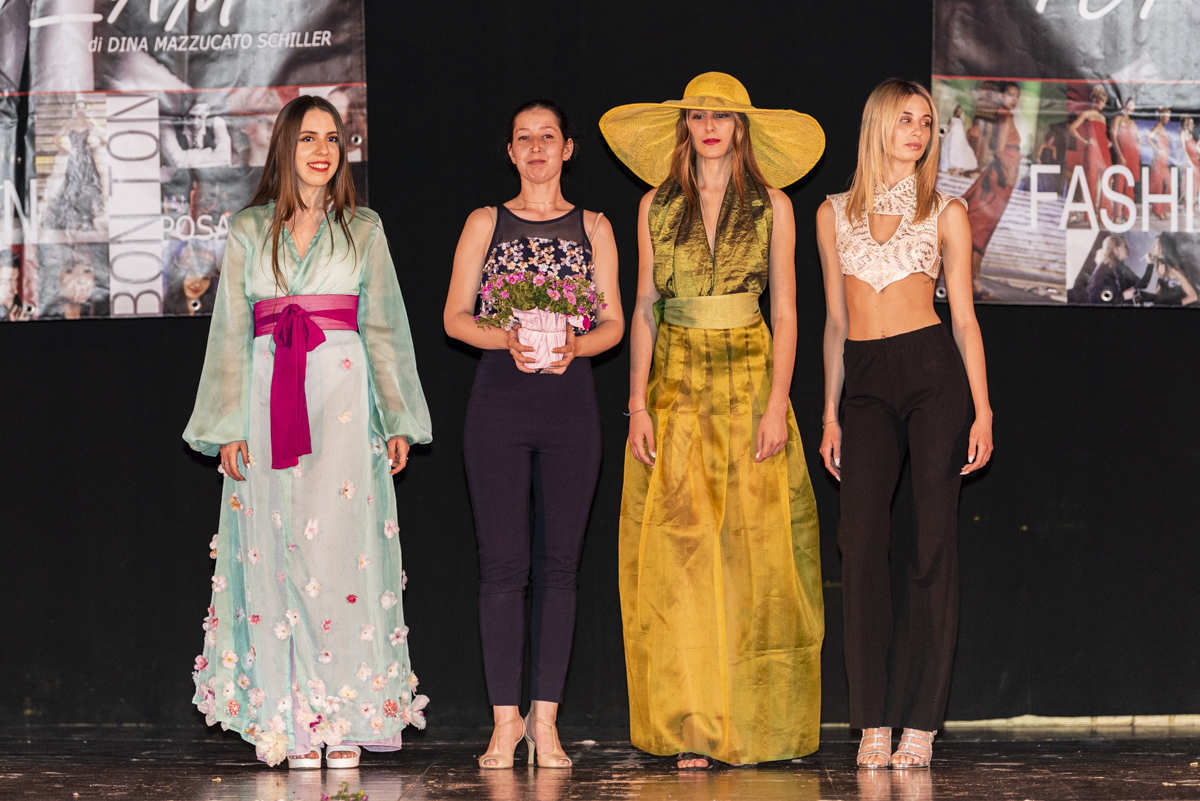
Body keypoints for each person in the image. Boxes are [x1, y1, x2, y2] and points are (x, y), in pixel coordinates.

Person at [182, 95, 433, 769]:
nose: (323, 150)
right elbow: (230, 331)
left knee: (342, 554)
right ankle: (289, 717)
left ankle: (345, 713)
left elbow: (385, 326)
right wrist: (226, 426)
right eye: (308, 138)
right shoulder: (249, 228)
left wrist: (397, 417)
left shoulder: (364, 228)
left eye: (333, 138)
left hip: (343, 400)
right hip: (268, 399)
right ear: (285, 148)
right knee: (276, 547)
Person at [600, 72, 826, 769]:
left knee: (755, 553)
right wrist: (637, 403)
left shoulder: (774, 205)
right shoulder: (654, 205)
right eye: (698, 115)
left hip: (750, 378)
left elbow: (786, 309)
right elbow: (644, 305)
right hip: (676, 382)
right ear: (684, 126)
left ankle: (757, 722)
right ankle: (692, 726)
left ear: (740, 127)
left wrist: (777, 403)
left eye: (721, 116)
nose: (709, 127)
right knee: (681, 558)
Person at [815, 78, 994, 769]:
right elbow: (835, 322)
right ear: (877, 126)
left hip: (932, 376)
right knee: (859, 543)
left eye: (926, 122)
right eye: (905, 120)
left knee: (931, 544)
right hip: (864, 382)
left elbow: (965, 320)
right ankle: (872, 721)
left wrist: (983, 408)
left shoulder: (946, 211)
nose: (917, 132)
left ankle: (921, 722)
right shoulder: (833, 212)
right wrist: (828, 411)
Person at [444, 99, 623, 769]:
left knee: (560, 567)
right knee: (502, 565)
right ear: (511, 151)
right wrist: (505, 337)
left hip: (571, 404)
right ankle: (505, 721)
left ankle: (546, 721)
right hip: (499, 401)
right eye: (525, 137)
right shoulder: (484, 222)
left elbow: (614, 322)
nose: (538, 147)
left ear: (568, 148)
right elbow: (454, 316)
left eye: (549, 136)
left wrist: (577, 346)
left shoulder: (595, 226)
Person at [962, 82, 1022, 299]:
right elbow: (998, 149)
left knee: (982, 230)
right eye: (1010, 94)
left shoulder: (1002, 115)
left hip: (1002, 175)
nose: (1013, 99)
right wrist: (1008, 174)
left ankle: (973, 282)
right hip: (1001, 177)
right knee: (982, 230)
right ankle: (974, 283)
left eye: (1017, 96)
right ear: (1001, 96)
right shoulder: (1005, 115)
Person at [1068, 85, 1113, 221]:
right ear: (1095, 100)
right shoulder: (1086, 114)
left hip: (1104, 150)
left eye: (1104, 102)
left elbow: (1102, 135)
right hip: (1093, 150)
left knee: (1107, 180)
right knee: (1092, 180)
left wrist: (1108, 142)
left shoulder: (1103, 118)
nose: (1103, 105)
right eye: (1101, 101)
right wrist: (1085, 141)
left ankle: (1104, 214)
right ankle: (1090, 215)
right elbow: (1072, 128)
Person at [1085, 234, 1150, 305]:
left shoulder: (1121, 268)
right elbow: (1096, 299)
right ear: (1116, 249)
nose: (1128, 249)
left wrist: (1150, 264)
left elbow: (1143, 284)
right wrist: (1123, 296)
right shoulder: (1102, 271)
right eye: (1125, 246)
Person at [1111, 97, 1140, 220]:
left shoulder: (1133, 123)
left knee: (1130, 184)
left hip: (1133, 154)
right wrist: (1120, 154)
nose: (1131, 107)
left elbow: (1138, 138)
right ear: (1125, 105)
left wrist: (1138, 145)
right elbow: (1113, 136)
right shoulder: (1118, 119)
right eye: (1130, 104)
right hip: (1123, 154)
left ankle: (1127, 213)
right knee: (1120, 183)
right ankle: (1117, 214)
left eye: (1133, 105)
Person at [1147, 108, 1172, 220]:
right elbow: (1148, 138)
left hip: (1164, 161)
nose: (1168, 118)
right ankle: (1158, 210)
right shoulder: (1158, 126)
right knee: (1159, 185)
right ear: (1162, 116)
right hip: (1159, 160)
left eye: (1169, 116)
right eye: (1167, 116)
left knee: (1169, 184)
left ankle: (1164, 209)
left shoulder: (1163, 128)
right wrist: (1157, 149)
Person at [938, 106, 977, 175]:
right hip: (952, 138)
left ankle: (956, 168)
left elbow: (962, 130)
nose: (959, 112)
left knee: (959, 152)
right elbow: (948, 128)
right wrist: (942, 134)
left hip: (959, 139)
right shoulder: (952, 119)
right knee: (951, 151)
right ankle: (950, 167)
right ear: (956, 111)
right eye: (958, 111)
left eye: (960, 111)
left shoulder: (961, 120)